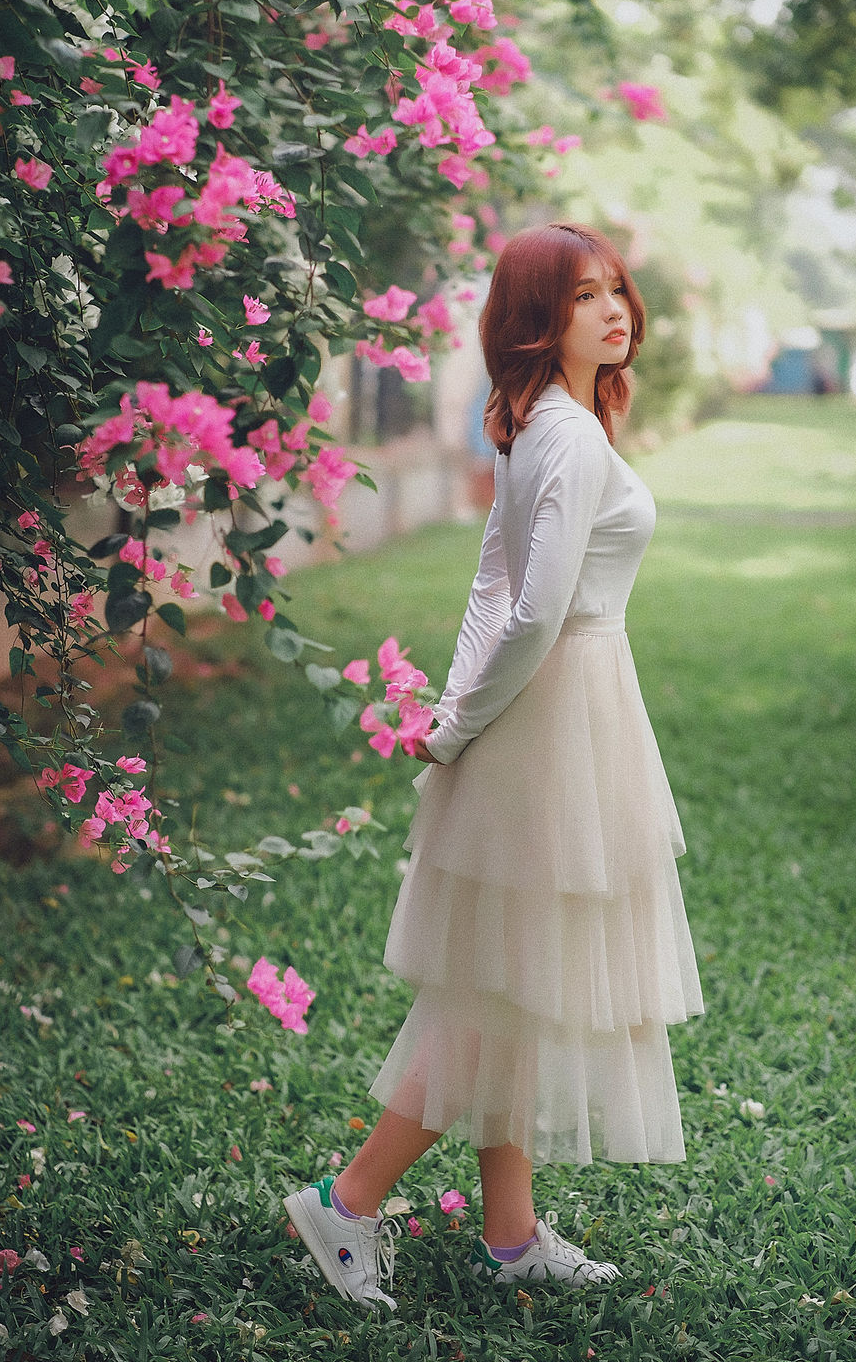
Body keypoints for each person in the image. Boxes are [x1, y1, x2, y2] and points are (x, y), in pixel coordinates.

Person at [284, 222, 704, 1310]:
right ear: (537, 319)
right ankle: (349, 1201)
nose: (613, 311)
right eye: (583, 298)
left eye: (616, 289)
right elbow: (529, 608)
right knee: (497, 996)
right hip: (552, 715)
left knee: (512, 979)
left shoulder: (546, 425)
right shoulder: (559, 436)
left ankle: (510, 1237)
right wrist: (461, 722)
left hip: (557, 712)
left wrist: (450, 714)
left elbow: (490, 586)